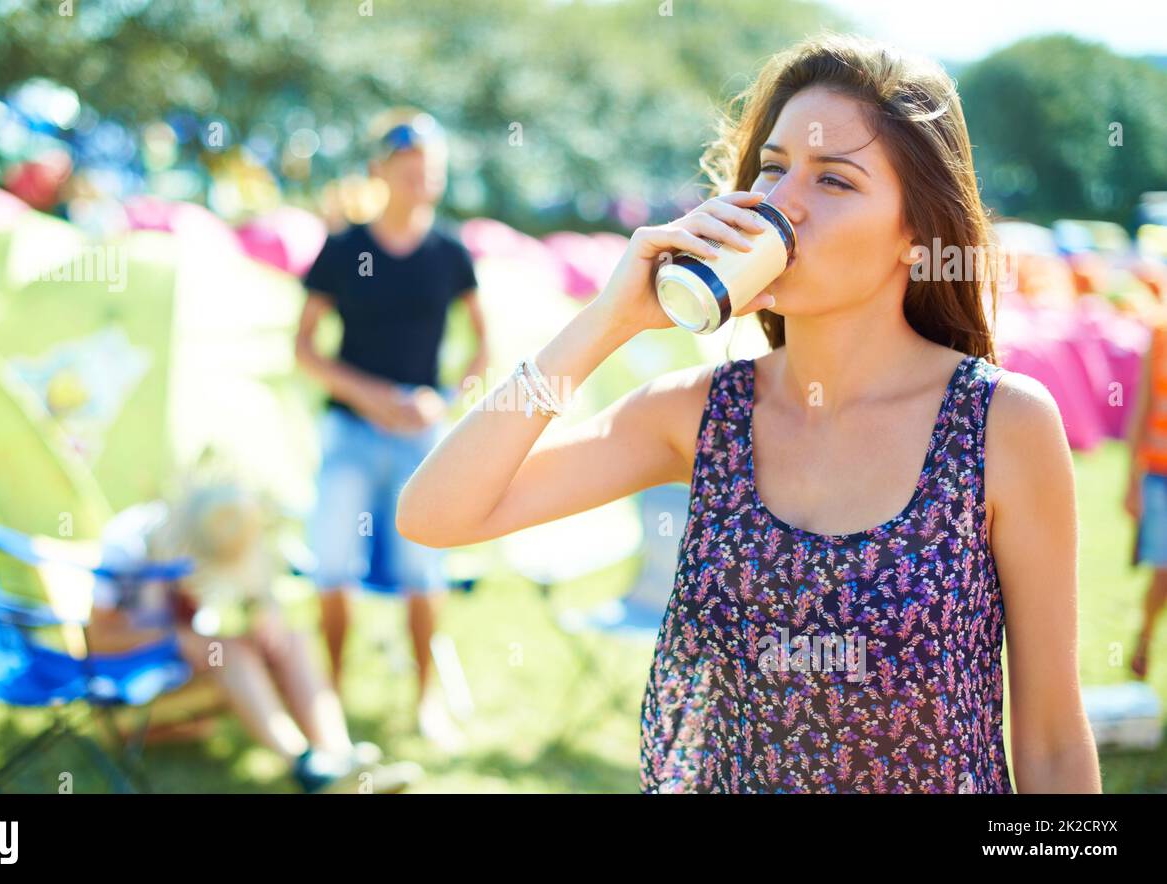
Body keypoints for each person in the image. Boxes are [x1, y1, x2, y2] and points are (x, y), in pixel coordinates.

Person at [397, 34, 1101, 793]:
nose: (781, 204)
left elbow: (1055, 745)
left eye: (834, 181)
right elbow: (437, 513)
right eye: (772, 167)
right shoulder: (704, 413)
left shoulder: (1001, 426)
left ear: (917, 234)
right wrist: (604, 323)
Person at [294, 107, 488, 752]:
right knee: (332, 568)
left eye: (429, 170)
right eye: (407, 169)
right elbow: (304, 349)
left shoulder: (450, 253)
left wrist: (444, 402)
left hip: (418, 438)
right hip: (350, 433)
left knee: (423, 572)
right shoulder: (346, 248)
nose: (420, 180)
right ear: (380, 171)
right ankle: (328, 703)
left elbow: (483, 349)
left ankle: (426, 698)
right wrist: (371, 395)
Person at [87, 483, 423, 793]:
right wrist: (176, 638)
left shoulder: (218, 530)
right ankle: (307, 767)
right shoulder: (127, 545)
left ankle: (338, 755)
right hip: (135, 670)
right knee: (229, 651)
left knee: (292, 639)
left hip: (196, 657)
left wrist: (266, 610)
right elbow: (98, 640)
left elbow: (252, 594)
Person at [1122, 304, 1167, 679]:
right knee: (1162, 572)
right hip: (1159, 473)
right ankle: (1144, 641)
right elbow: (1140, 408)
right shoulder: (1159, 333)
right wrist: (1130, 482)